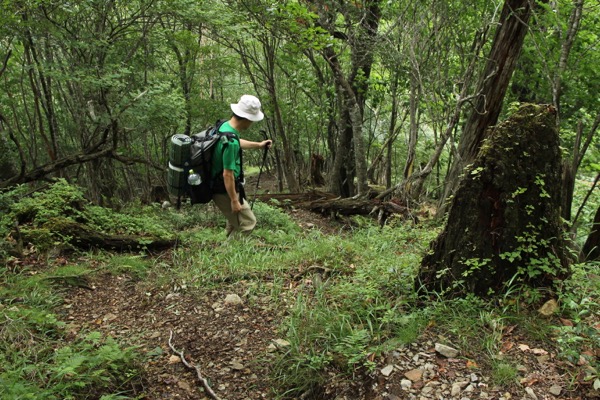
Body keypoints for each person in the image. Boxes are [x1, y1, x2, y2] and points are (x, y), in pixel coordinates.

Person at [211, 95, 272, 237]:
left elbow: (237, 140)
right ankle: (232, 249)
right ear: (247, 118)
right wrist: (234, 200)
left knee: (234, 222)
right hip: (223, 188)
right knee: (248, 223)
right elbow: (227, 174)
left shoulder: (224, 126)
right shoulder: (231, 142)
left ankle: (226, 244)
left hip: (220, 184)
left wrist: (259, 145)